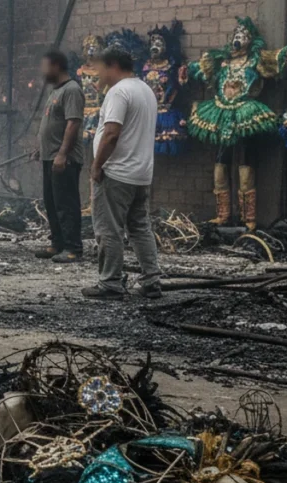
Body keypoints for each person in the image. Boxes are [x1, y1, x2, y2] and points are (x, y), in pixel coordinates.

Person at [84, 47, 162, 300]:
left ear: (113, 65)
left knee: (109, 229)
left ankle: (110, 283)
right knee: (140, 227)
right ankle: (152, 281)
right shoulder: (145, 90)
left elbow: (111, 134)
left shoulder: (119, 92)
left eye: (101, 68)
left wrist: (97, 166)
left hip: (116, 173)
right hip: (141, 173)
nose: (98, 74)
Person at [33, 50, 86, 264]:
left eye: (45, 66)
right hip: (50, 157)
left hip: (65, 159)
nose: (42, 71)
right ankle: (57, 243)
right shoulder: (56, 91)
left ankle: (73, 248)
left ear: (56, 66)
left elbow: (73, 123)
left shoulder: (72, 90)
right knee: (52, 203)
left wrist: (62, 154)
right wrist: (41, 148)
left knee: (66, 204)